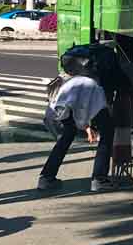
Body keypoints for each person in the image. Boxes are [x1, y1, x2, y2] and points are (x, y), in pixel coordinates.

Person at [36, 48, 120, 193]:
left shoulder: (66, 79)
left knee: (66, 137)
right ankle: (99, 179)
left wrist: (86, 127)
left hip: (55, 113)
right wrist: (87, 126)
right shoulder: (94, 86)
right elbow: (86, 111)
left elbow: (77, 111)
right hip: (70, 108)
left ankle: (46, 178)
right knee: (107, 132)